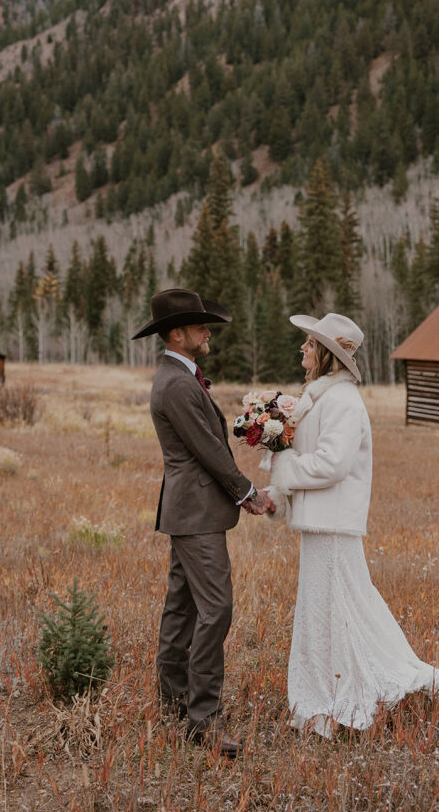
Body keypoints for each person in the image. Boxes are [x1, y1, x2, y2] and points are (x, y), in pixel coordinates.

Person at [265, 311, 439, 737]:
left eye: (310, 344)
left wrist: (285, 471)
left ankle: (341, 697)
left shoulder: (344, 401)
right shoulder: (321, 397)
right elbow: (306, 459)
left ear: (328, 354)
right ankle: (327, 694)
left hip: (333, 525)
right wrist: (275, 494)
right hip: (319, 523)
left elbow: (332, 464)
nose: (303, 348)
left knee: (341, 609)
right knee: (327, 610)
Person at [133, 288, 273, 756]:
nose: (207, 332)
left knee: (182, 610)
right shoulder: (174, 383)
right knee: (217, 609)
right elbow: (207, 452)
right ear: (177, 334)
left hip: (190, 511)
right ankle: (204, 720)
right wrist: (248, 492)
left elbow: (209, 438)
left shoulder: (181, 377)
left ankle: (173, 703)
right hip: (196, 513)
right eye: (200, 326)